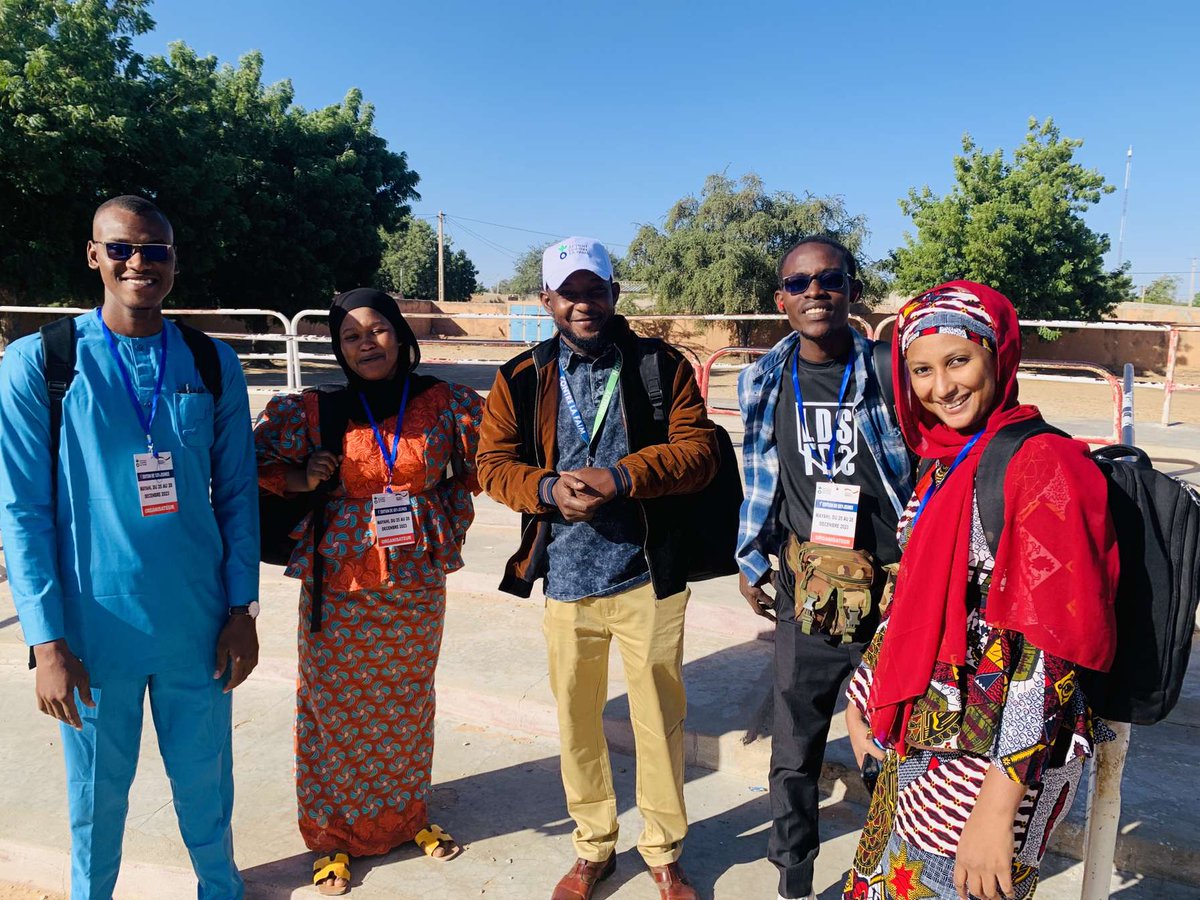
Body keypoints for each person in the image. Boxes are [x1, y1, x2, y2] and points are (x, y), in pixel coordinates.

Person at [0, 195, 260, 899]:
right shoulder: (42, 363)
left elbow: (238, 492)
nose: (138, 262)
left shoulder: (210, 363)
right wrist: (47, 643)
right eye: (120, 248)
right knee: (95, 795)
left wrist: (243, 608)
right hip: (92, 628)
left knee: (206, 782)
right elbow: (21, 512)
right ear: (93, 256)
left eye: (155, 250)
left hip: (197, 620)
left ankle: (220, 888)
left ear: (175, 261)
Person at [842, 282, 1119, 900]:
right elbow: (918, 599)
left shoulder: (1041, 465)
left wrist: (999, 806)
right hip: (920, 730)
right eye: (921, 370)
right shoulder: (948, 456)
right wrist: (864, 696)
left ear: (999, 355)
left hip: (995, 756)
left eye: (958, 360)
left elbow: (1052, 650)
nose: (942, 388)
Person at [477, 237, 718, 900]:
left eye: (595, 290)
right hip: (568, 580)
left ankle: (664, 852)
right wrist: (549, 490)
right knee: (578, 721)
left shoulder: (656, 366)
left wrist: (620, 477)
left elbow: (698, 452)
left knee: (658, 720)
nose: (583, 304)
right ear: (546, 300)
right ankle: (594, 848)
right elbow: (491, 466)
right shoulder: (522, 376)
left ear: (615, 294)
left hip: (647, 576)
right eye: (569, 292)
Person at [253, 288, 482, 895]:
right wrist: (300, 476)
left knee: (407, 704)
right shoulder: (315, 410)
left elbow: (482, 467)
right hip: (342, 585)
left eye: (377, 329)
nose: (366, 343)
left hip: (415, 585)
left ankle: (406, 818)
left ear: (401, 334)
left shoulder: (445, 402)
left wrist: (443, 518)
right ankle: (332, 837)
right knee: (333, 711)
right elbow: (248, 462)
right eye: (351, 336)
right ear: (339, 348)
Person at [736, 236, 914, 900]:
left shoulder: (893, 372)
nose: (815, 291)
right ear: (780, 299)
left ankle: (895, 862)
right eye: (799, 282)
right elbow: (761, 478)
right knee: (796, 739)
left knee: (896, 735)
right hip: (806, 586)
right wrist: (750, 560)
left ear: (853, 290)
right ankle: (795, 873)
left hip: (895, 588)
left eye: (830, 279)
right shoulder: (763, 379)